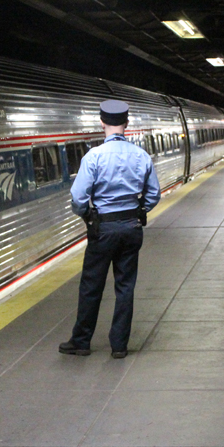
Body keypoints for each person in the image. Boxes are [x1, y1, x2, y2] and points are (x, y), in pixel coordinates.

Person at [59, 100, 161, 359]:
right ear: (126, 124)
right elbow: (154, 195)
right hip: (131, 227)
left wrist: (87, 216)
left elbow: (79, 197)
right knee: (125, 286)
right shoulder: (141, 156)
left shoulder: (93, 156)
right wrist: (140, 211)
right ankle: (119, 345)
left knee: (91, 285)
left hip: (102, 228)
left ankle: (81, 341)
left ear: (102, 123)